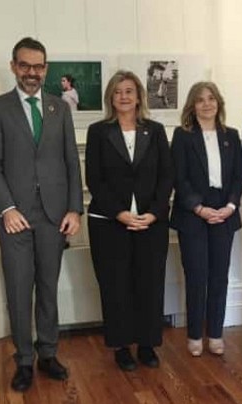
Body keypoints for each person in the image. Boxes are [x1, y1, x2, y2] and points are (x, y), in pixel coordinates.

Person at [0, 37, 83, 392]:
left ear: (46, 69)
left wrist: (75, 209)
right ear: (14, 66)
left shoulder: (60, 108)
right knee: (19, 289)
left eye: (38, 66)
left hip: (54, 217)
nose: (32, 72)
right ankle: (24, 359)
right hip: (16, 219)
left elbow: (71, 162)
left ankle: (48, 353)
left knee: (48, 288)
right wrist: (6, 209)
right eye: (25, 65)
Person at [85, 70, 174, 371]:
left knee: (149, 284)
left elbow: (167, 176)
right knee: (116, 286)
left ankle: (147, 345)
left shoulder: (155, 131)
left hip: (151, 222)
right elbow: (95, 179)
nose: (123, 96)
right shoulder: (98, 132)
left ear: (138, 97)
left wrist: (155, 212)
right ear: (110, 97)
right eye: (117, 92)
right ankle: (121, 346)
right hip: (110, 223)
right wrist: (120, 213)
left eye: (129, 91)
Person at [170, 82, 242, 357]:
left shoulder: (231, 136)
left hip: (224, 213)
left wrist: (231, 206)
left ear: (218, 102)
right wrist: (199, 208)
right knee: (196, 276)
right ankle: (193, 335)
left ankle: (215, 333)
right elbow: (179, 178)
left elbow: (238, 176)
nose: (206, 104)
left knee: (219, 277)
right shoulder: (182, 136)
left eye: (211, 98)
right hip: (193, 215)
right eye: (200, 100)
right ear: (192, 105)